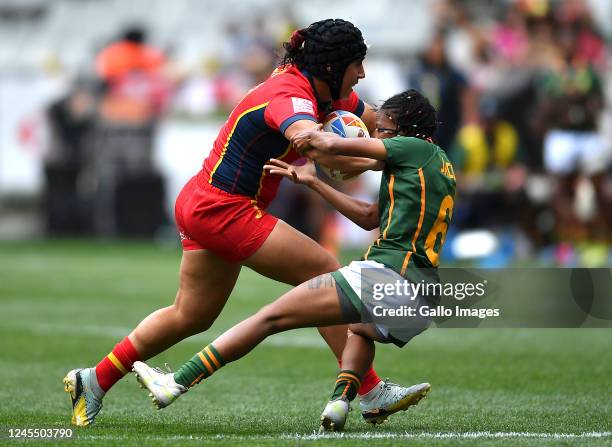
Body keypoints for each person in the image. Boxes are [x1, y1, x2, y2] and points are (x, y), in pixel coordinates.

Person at [63, 19, 418, 427]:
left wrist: (416, 144)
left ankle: (93, 379)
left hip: (205, 200)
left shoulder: (320, 90)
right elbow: (310, 140)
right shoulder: (292, 95)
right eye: (357, 64)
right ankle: (370, 390)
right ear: (332, 68)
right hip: (224, 208)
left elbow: (374, 121)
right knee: (325, 274)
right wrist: (378, 159)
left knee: (191, 315)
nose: (363, 73)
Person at [132, 89, 457, 431]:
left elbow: (332, 147)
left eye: (383, 130)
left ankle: (175, 382)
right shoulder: (437, 161)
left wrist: (308, 130)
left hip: (390, 275)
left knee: (269, 318)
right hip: (421, 293)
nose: (376, 135)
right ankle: (345, 401)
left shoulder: (412, 147)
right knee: (359, 329)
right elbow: (369, 216)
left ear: (404, 130)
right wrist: (315, 184)